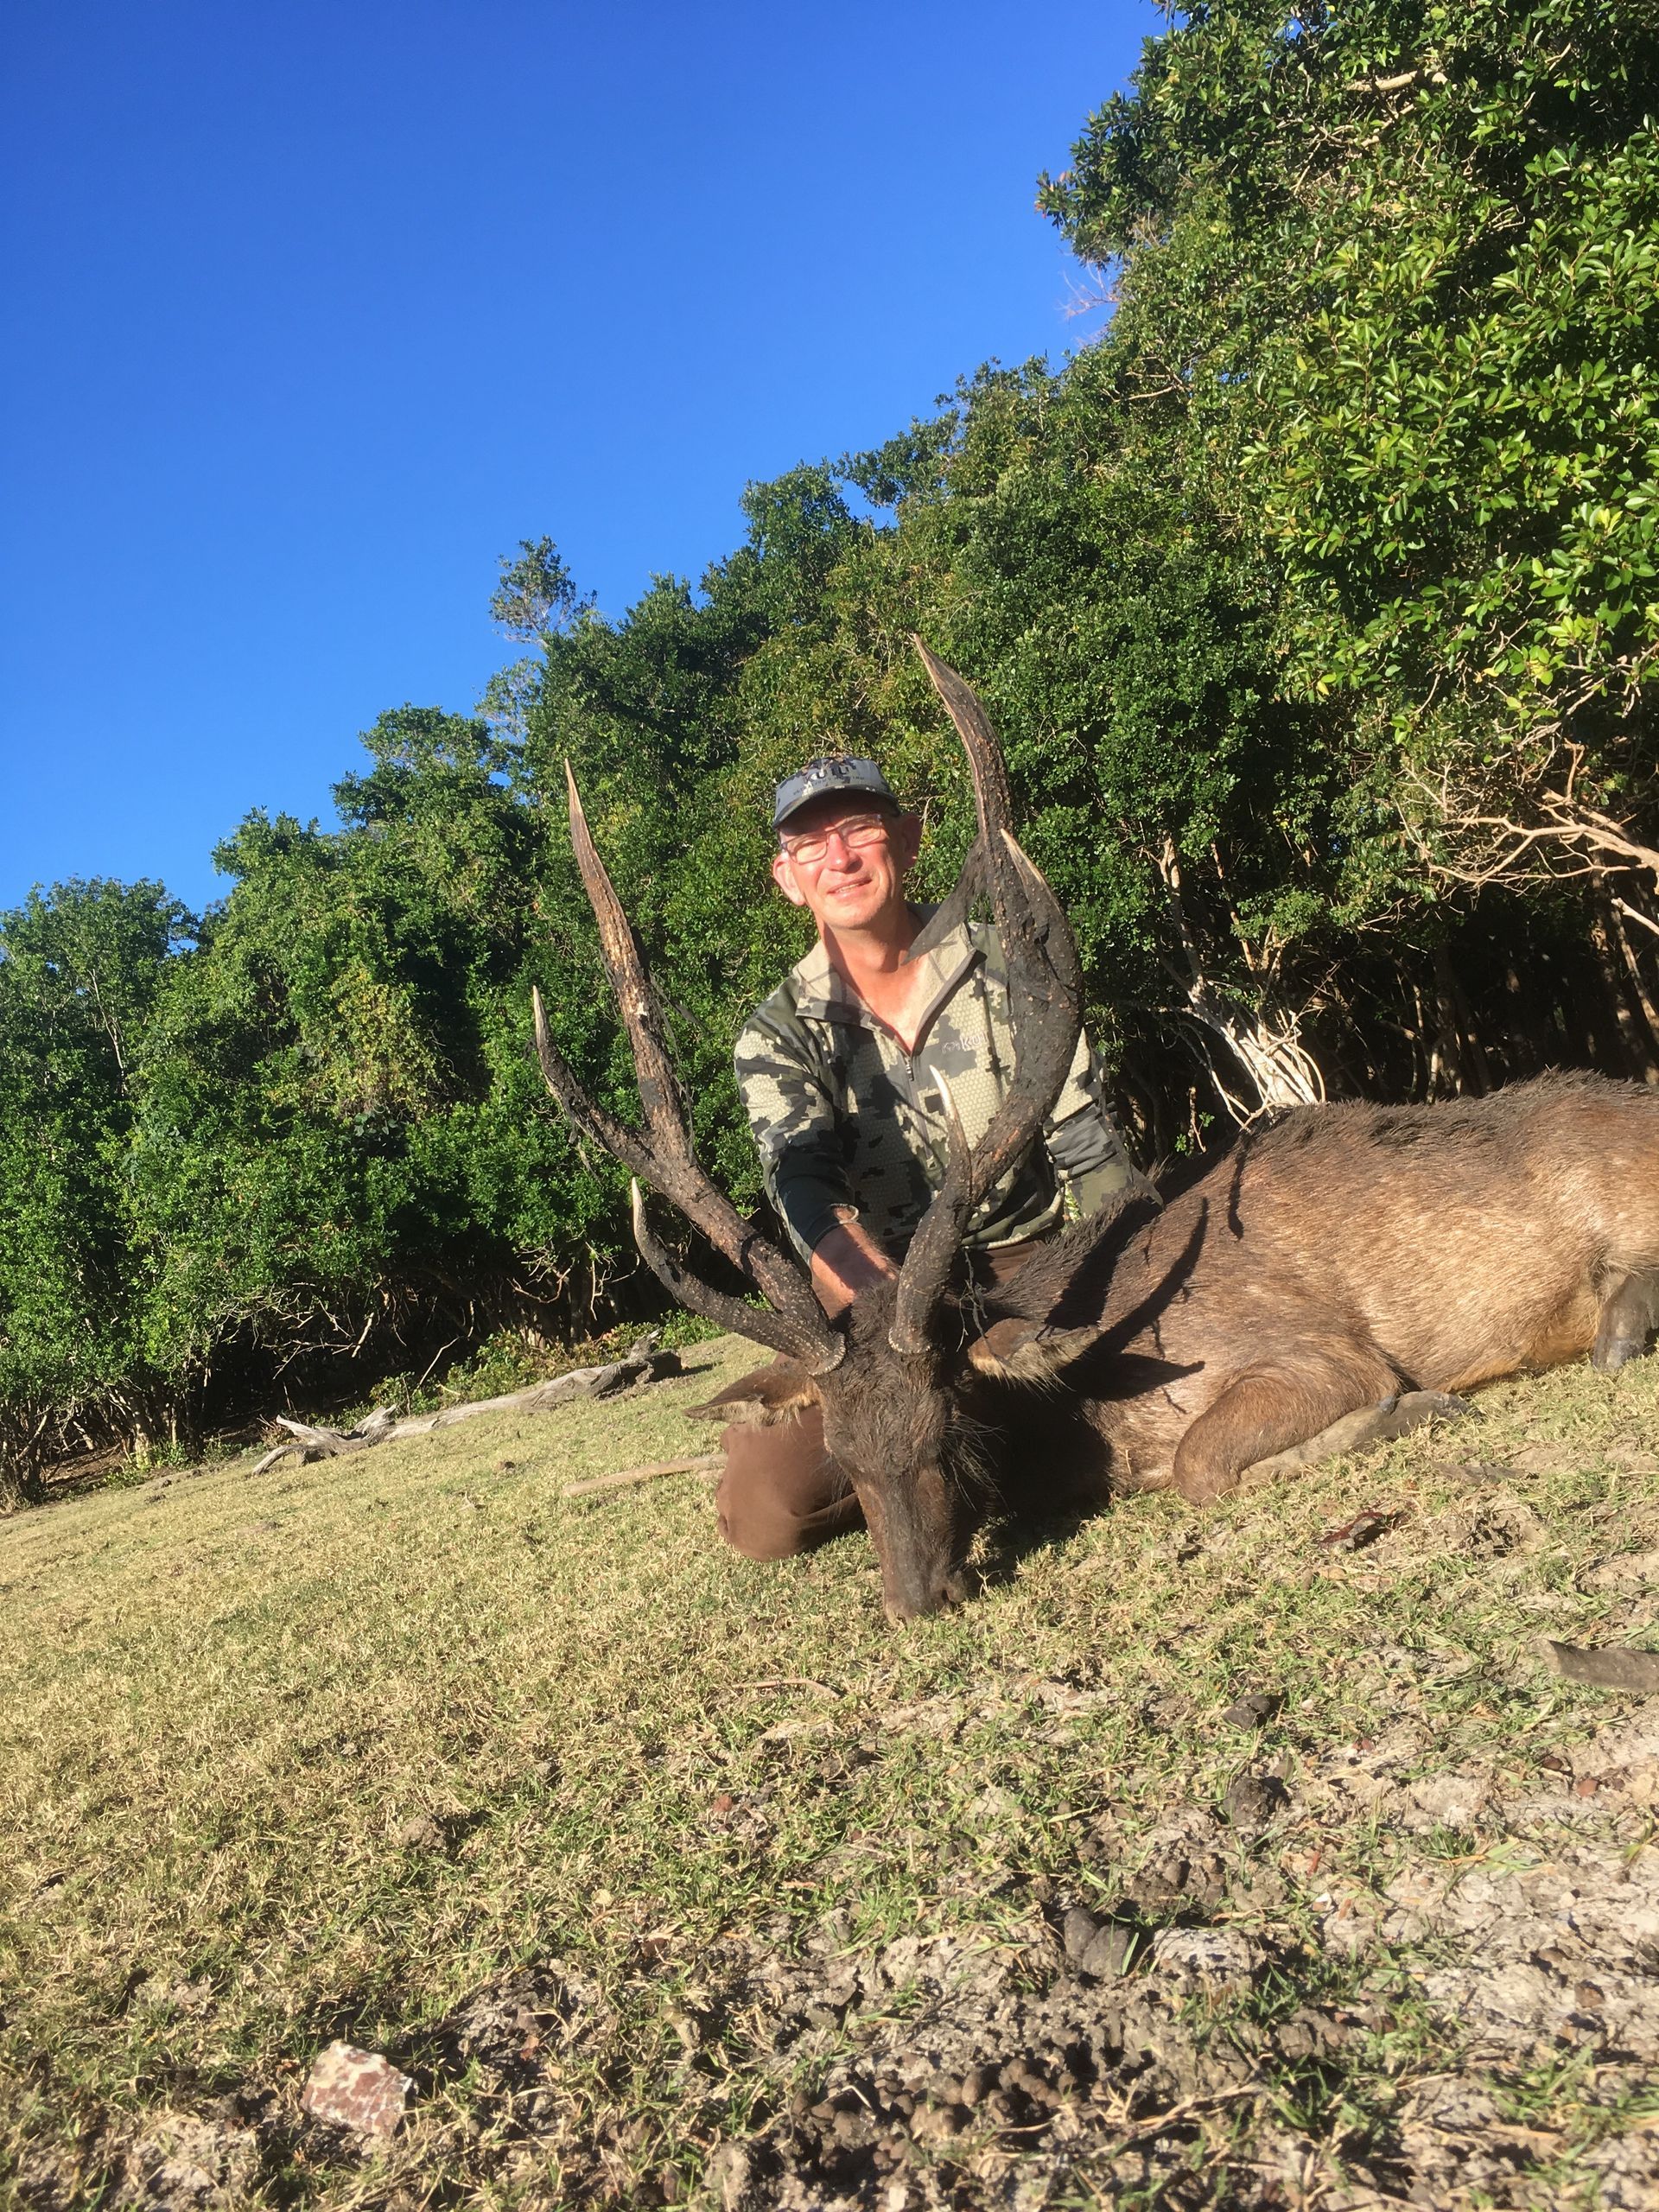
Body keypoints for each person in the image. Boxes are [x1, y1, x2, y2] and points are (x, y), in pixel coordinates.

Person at [715, 751, 1135, 1559]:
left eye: (859, 829)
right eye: (810, 846)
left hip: (1026, 1270)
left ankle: (979, 1450)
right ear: (786, 877)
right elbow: (804, 1189)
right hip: (875, 1303)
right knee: (768, 1515)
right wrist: (897, 1316)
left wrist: (1126, 1270)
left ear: (906, 842)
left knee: (1135, 1387)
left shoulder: (1015, 964)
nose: (838, 859)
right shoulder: (776, 1034)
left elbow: (1090, 1145)